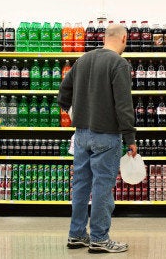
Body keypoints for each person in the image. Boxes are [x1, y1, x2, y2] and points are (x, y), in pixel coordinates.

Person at [58, 23, 137, 253]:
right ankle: (100, 238)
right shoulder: (119, 63)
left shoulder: (83, 60)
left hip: (81, 135)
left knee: (81, 185)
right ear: (123, 40)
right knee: (102, 186)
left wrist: (76, 113)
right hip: (107, 135)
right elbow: (124, 106)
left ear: (105, 37)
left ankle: (77, 235)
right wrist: (130, 137)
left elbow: (63, 94)